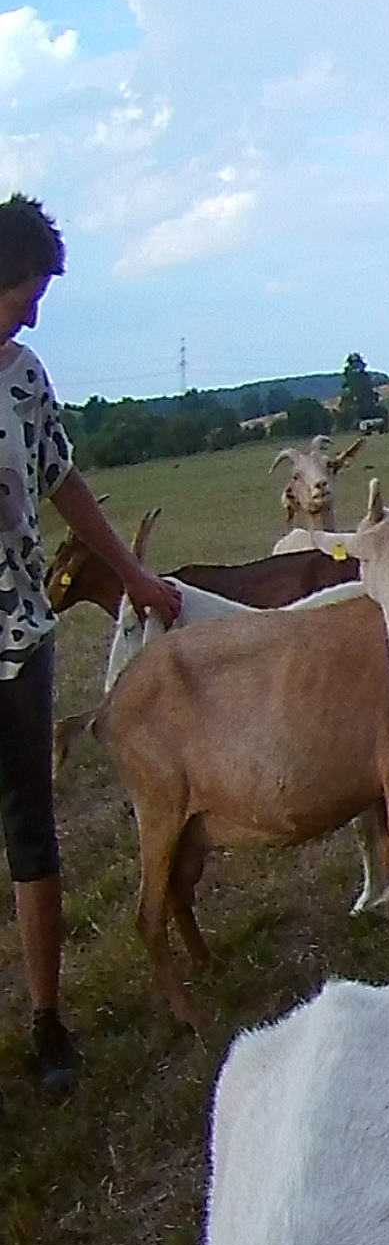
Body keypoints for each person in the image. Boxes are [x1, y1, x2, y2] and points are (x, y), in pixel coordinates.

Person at [0, 194, 183, 1100]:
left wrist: (136, 579)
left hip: (18, 638)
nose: (32, 312)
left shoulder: (24, 378)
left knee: (33, 827)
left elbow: (64, 482)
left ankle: (45, 1020)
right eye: (24, 292)